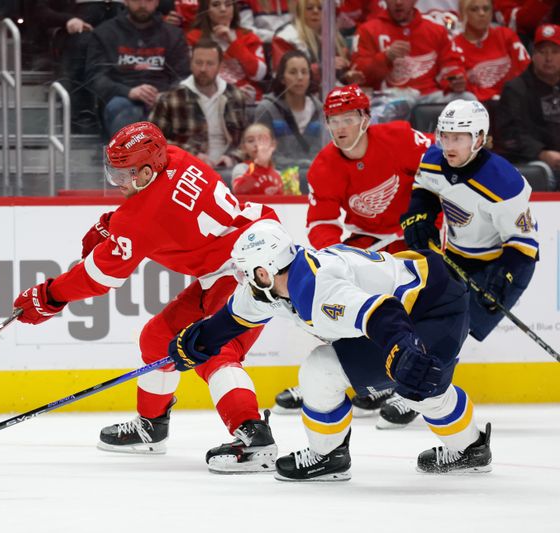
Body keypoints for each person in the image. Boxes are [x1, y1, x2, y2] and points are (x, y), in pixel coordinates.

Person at [12, 121, 280, 473]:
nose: (118, 182)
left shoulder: (140, 219)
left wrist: (49, 297)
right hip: (241, 255)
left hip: (250, 267)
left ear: (149, 168)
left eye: (125, 174)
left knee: (216, 350)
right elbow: (159, 210)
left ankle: (254, 437)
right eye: (114, 172)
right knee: (158, 339)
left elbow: (97, 277)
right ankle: (151, 428)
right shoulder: (176, 157)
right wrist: (113, 221)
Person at [168, 218, 493, 480]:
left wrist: (402, 350)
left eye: (245, 271)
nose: (243, 279)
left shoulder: (316, 290)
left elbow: (383, 313)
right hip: (427, 290)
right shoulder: (275, 285)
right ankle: (471, 449)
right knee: (421, 387)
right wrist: (193, 344)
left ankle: (328, 455)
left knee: (325, 371)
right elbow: (229, 321)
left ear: (264, 271)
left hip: (431, 308)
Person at [270, 85, 433, 416]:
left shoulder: (400, 138)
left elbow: (439, 171)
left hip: (415, 239)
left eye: (348, 118)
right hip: (368, 245)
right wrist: (342, 260)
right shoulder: (324, 165)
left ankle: (409, 385)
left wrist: (428, 215)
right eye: (333, 120)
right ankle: (347, 379)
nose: (340, 128)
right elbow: (320, 224)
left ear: (366, 118)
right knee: (337, 304)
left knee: (420, 309)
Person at [394, 99, 538, 427]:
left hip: (504, 262)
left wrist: (505, 277)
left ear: (479, 138)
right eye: (444, 135)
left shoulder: (505, 182)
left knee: (456, 329)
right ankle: (415, 390)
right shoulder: (433, 159)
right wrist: (420, 218)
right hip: (456, 255)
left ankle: (420, 392)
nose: (448, 144)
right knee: (433, 321)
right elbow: (425, 192)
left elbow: (524, 242)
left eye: (458, 137)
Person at [353, 0, 475, 122]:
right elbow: (360, 75)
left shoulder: (436, 30)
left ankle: (477, 140)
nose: (398, 2)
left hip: (430, 97)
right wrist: (385, 57)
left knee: (468, 100)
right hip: (389, 98)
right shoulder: (368, 30)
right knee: (377, 112)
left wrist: (454, 81)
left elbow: (451, 64)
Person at [85, 0, 190, 138]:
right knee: (124, 110)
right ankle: (128, 158)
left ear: (157, 2)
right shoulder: (104, 33)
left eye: (148, 0)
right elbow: (95, 77)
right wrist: (129, 92)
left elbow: (182, 76)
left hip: (162, 98)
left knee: (175, 108)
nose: (142, 5)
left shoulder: (174, 35)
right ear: (126, 1)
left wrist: (163, 96)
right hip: (122, 98)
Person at [148, 39, 248, 172]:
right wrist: (191, 155)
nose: (203, 69)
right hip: (185, 169)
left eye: (209, 64)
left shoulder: (235, 96)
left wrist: (231, 158)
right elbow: (151, 142)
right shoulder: (171, 98)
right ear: (191, 63)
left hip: (229, 169)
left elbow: (248, 140)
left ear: (220, 66)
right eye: (198, 63)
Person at [34, 0, 124, 133]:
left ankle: (117, 115)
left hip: (123, 27)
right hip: (79, 31)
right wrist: (68, 20)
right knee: (84, 43)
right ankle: (83, 114)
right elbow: (40, 11)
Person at [496, 24, 560, 185]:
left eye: (555, 52)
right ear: (533, 54)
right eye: (542, 52)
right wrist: (542, 153)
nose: (548, 58)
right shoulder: (516, 89)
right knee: (543, 172)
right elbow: (511, 134)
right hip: (531, 160)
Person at [254, 50, 323, 176]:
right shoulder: (266, 109)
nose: (300, 77)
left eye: (304, 72)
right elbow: (263, 152)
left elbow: (325, 151)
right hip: (278, 175)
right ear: (282, 78)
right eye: (293, 72)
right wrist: (302, 166)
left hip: (316, 175)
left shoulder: (321, 111)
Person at [186, 0, 267, 101]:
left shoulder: (247, 36)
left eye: (228, 4)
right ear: (206, 10)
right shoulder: (193, 37)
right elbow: (194, 76)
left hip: (247, 100)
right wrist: (230, 93)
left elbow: (258, 75)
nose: (223, 9)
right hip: (209, 99)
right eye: (216, 5)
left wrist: (233, 43)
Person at [454, 0, 531, 103]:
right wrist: (492, 96)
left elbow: (526, 70)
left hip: (514, 102)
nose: (482, 13)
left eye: (486, 9)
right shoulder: (454, 46)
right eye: (474, 9)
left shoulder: (506, 35)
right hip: (477, 106)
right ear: (463, 14)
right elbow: (458, 85)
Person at [271, 0, 362, 85]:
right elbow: (283, 77)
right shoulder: (286, 37)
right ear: (300, 10)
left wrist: (346, 77)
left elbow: (337, 76)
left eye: (320, 8)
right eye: (309, 8)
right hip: (296, 99)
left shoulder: (335, 38)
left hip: (327, 96)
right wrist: (322, 68)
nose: (315, 11)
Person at [231, 123, 287, 195]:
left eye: (262, 140)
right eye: (250, 140)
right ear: (244, 147)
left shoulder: (279, 174)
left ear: (273, 145)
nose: (256, 144)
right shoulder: (242, 169)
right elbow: (238, 191)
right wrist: (259, 165)